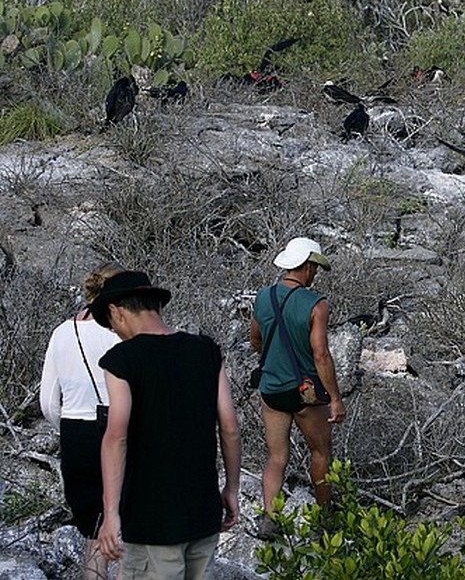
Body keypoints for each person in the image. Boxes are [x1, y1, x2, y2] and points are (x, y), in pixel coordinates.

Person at [91, 271, 241, 577]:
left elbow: (116, 437)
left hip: (151, 519)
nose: (115, 333)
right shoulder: (205, 350)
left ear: (116, 311)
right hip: (202, 511)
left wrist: (111, 514)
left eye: (111, 325)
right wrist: (232, 488)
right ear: (156, 305)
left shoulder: (122, 360)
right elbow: (229, 425)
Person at [251, 237, 345, 537]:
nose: (315, 273)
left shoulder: (263, 296)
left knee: (277, 456)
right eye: (314, 267)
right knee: (321, 452)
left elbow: (256, 340)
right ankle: (323, 519)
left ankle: (269, 518)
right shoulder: (316, 304)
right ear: (305, 266)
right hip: (305, 392)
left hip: (272, 389)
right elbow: (321, 354)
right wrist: (335, 398)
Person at [39, 263, 124, 579]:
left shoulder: (63, 332)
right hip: (118, 428)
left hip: (75, 432)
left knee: (93, 531)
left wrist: (68, 428)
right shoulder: (121, 333)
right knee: (126, 526)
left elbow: (48, 401)